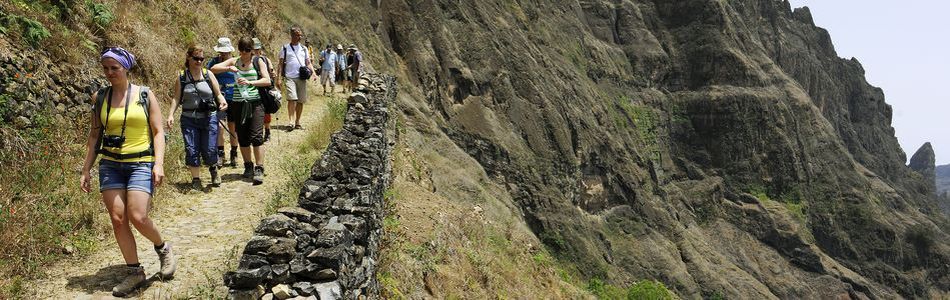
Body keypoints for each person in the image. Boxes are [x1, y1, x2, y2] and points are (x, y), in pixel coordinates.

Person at [80, 47, 175, 297]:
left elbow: (157, 132)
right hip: (110, 164)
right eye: (106, 68)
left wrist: (159, 163)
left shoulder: (145, 95)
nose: (110, 73)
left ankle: (162, 247)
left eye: (115, 68)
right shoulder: (100, 97)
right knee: (118, 218)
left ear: (125, 68)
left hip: (141, 162)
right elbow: (94, 134)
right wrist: (86, 169)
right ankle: (135, 272)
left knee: (138, 215)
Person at [211, 37, 272, 185]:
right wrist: (228, 68)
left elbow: (267, 80)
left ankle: (259, 167)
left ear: (252, 50)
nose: (244, 53)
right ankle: (248, 166)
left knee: (257, 136)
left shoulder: (258, 61)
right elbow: (213, 69)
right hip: (238, 104)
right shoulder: (235, 61)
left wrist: (250, 82)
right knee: (242, 136)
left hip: (255, 103)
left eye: (247, 50)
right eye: (242, 50)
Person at [166, 46, 228, 190]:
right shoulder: (181, 77)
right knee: (191, 149)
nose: (199, 61)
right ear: (188, 57)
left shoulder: (208, 74)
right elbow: (176, 97)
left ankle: (213, 169)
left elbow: (218, 93)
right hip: (189, 119)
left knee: (210, 148)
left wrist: (222, 101)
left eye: (201, 59)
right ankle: (196, 179)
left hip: (208, 117)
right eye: (196, 58)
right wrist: (170, 115)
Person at [208, 37, 240, 167]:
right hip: (219, 97)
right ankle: (220, 153)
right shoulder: (214, 62)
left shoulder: (237, 61)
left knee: (233, 126)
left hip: (234, 97)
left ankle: (234, 153)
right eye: (221, 52)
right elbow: (211, 71)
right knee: (220, 126)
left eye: (225, 52)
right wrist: (227, 69)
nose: (223, 54)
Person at [276, 27, 315, 131]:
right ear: (292, 35)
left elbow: (308, 62)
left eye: (300, 35)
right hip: (289, 77)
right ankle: (291, 121)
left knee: (300, 101)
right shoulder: (285, 48)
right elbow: (280, 64)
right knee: (292, 99)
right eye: (298, 35)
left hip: (301, 78)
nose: (300, 37)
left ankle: (297, 122)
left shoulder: (304, 48)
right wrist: (278, 78)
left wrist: (314, 73)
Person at [252, 38, 277, 142]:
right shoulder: (247, 60)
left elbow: (272, 72)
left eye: (257, 49)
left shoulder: (265, 59)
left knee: (266, 111)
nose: (256, 51)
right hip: (252, 88)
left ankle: (267, 131)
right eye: (254, 49)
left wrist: (272, 74)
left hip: (263, 89)